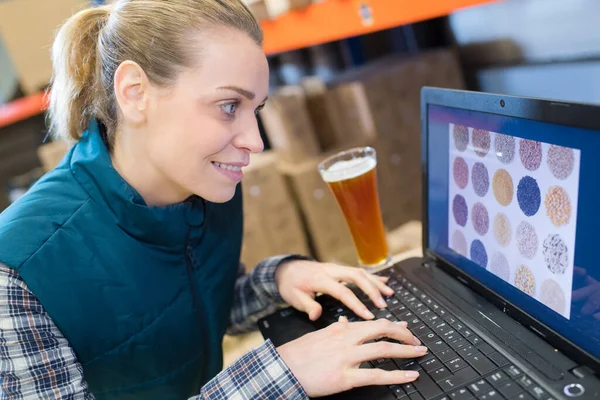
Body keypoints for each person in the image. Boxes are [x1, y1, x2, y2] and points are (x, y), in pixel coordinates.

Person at [0, 1, 427, 399]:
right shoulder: (15, 274)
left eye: (255, 109)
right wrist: (278, 376)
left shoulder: (199, 187)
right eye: (228, 106)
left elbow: (191, 307)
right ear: (134, 93)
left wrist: (276, 279)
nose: (255, 142)